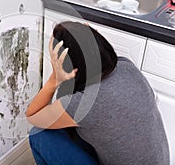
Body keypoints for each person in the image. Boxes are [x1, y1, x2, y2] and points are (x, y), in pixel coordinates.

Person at [26, 21, 170, 165]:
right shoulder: (127, 66)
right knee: (72, 130)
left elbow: (33, 116)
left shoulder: (82, 104)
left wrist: (55, 78)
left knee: (39, 134)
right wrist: (89, 38)